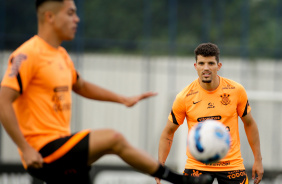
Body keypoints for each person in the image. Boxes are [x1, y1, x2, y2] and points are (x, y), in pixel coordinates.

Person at [0, 0, 213, 184]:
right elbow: (3, 101)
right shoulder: (26, 55)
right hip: (43, 150)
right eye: (71, 13)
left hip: (63, 152)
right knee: (114, 139)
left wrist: (123, 99)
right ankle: (179, 180)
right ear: (50, 17)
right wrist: (25, 148)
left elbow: (81, 86)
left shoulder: (61, 56)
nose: (77, 19)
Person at [156, 43, 264, 184]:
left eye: (211, 63)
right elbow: (168, 132)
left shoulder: (236, 90)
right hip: (197, 166)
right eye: (201, 63)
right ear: (196, 66)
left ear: (218, 66)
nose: (206, 68)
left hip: (231, 165)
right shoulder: (184, 97)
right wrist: (160, 165)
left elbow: (249, 123)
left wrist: (258, 159)